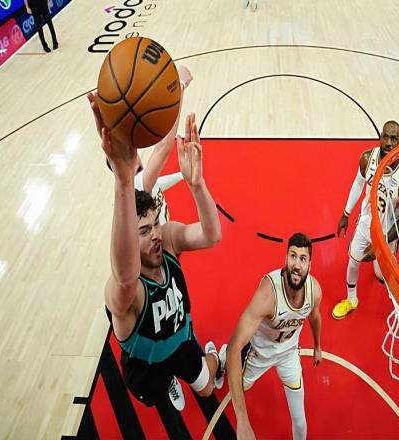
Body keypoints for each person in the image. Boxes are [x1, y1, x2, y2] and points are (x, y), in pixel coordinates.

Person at [91, 97, 227, 437]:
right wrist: (123, 182)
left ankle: (214, 357)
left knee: (207, 387)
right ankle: (168, 381)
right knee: (156, 397)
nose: (154, 234)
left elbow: (212, 235)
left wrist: (197, 185)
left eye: (155, 224)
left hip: (181, 343)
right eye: (143, 230)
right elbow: (126, 276)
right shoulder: (126, 294)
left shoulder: (166, 241)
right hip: (147, 367)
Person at [227, 233, 322, 440]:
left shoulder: (314, 291)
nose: (297, 265)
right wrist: (243, 422)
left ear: (310, 265)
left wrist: (317, 346)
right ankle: (218, 360)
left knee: (300, 420)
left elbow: (315, 316)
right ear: (286, 258)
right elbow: (234, 345)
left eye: (303, 259)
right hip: (258, 354)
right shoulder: (268, 294)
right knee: (233, 381)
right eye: (293, 256)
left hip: (288, 353)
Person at [332, 121, 399, 320]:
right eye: (385, 137)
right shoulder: (367, 158)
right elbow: (358, 183)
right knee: (353, 261)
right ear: (380, 137)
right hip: (366, 222)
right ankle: (351, 300)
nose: (388, 142)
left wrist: (380, 243)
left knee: (381, 277)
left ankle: (384, 272)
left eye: (394, 138)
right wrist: (346, 213)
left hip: (388, 232)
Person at [89, 65, 194, 225]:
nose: (134, 151)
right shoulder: (139, 184)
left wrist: (182, 175)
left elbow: (158, 184)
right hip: (159, 239)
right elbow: (164, 146)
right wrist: (179, 87)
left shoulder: (137, 186)